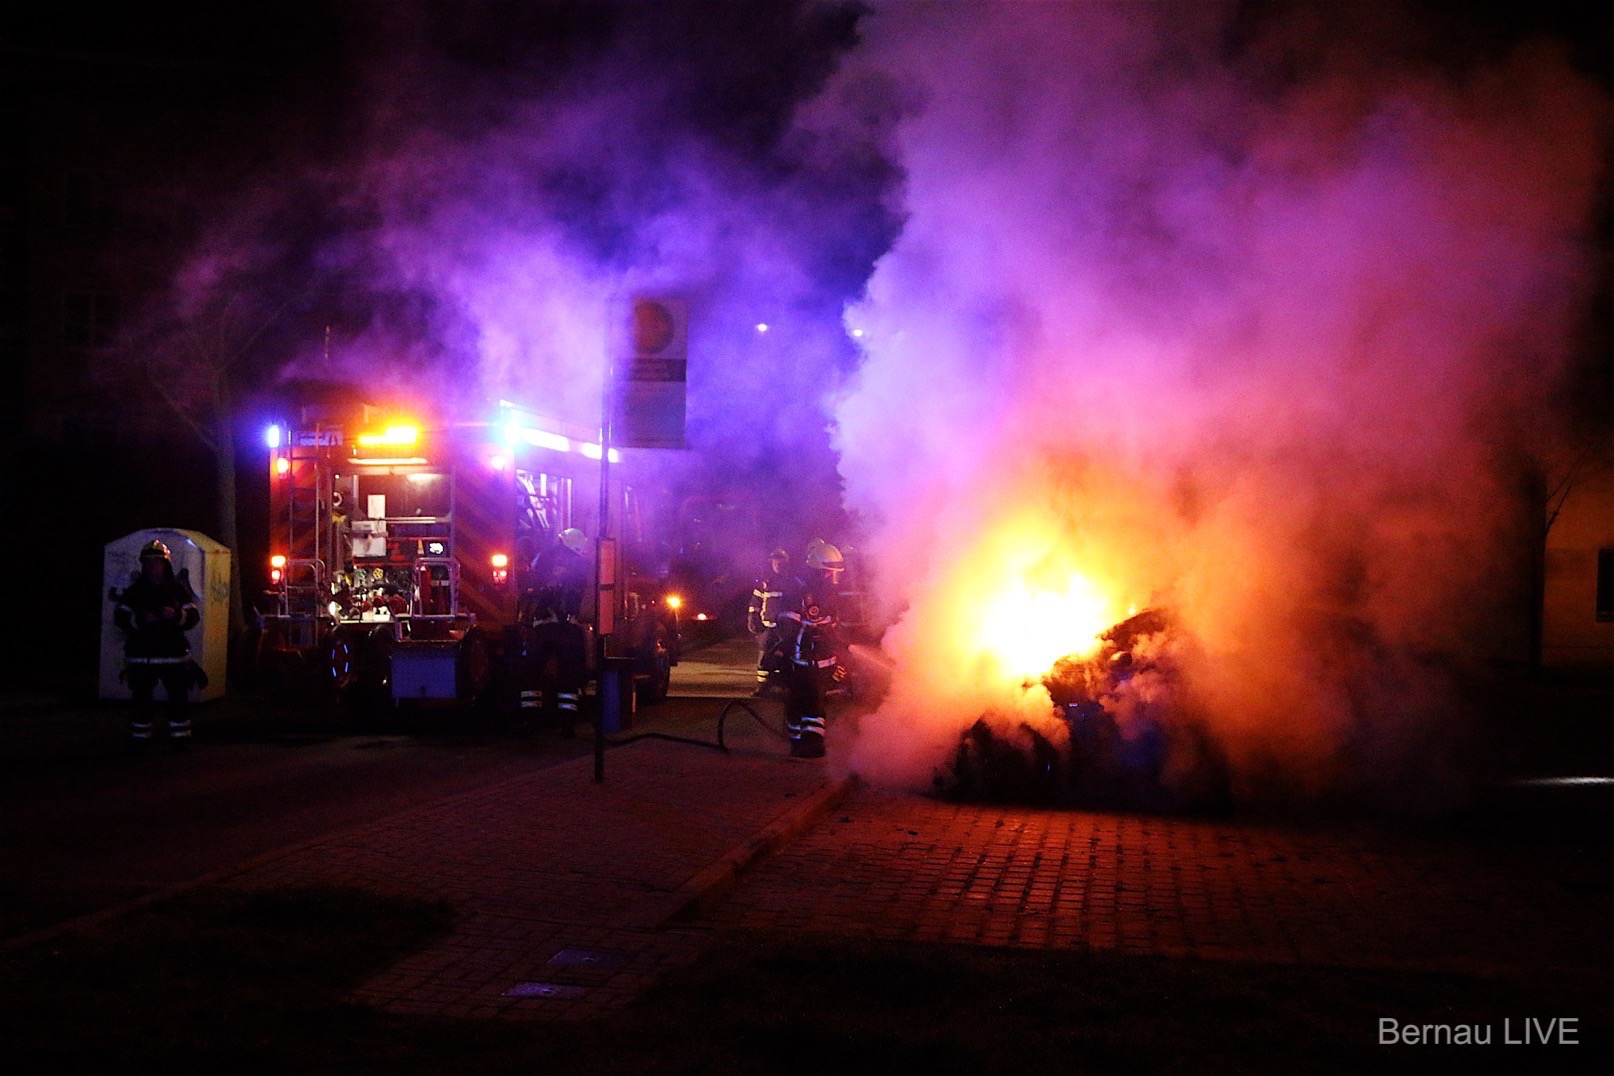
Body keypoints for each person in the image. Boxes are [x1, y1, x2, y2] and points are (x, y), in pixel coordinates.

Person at [113, 540, 201, 750]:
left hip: (173, 656)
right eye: (149, 562)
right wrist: (141, 619)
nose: (153, 567)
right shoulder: (134, 592)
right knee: (141, 700)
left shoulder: (178, 590)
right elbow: (120, 616)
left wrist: (177, 615)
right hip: (142, 656)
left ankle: (180, 738)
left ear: (166, 565)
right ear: (143, 565)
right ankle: (139, 739)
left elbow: (193, 616)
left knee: (178, 699)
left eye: (157, 562)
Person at [771, 539, 848, 758]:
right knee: (810, 705)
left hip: (814, 661)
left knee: (802, 702)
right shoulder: (800, 593)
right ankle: (810, 745)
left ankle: (800, 744)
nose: (832, 579)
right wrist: (782, 652)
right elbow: (788, 626)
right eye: (829, 573)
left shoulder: (819, 593)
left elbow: (831, 628)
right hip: (806, 661)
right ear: (818, 571)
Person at [519, 527, 592, 734]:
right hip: (567, 627)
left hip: (541, 626)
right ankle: (567, 725)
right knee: (569, 676)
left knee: (531, 674)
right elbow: (584, 595)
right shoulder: (582, 564)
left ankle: (529, 721)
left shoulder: (544, 557)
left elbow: (530, 582)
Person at [748, 547, 802, 695]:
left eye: (781, 561)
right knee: (764, 658)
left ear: (787, 562)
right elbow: (755, 602)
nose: (777, 564)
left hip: (786, 628)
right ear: (771, 562)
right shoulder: (764, 582)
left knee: (786, 656)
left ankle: (785, 685)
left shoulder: (794, 582)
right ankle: (763, 686)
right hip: (768, 627)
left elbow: (799, 605)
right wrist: (753, 618)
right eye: (775, 561)